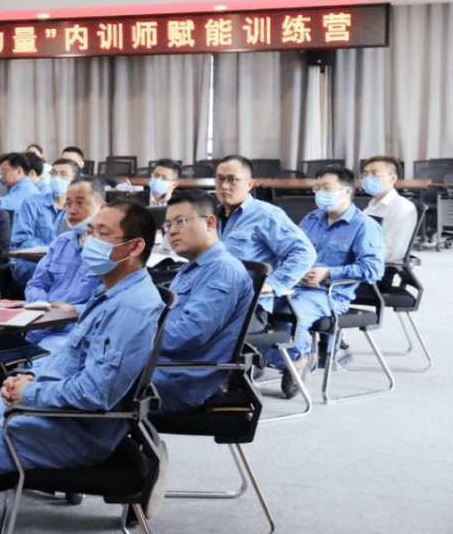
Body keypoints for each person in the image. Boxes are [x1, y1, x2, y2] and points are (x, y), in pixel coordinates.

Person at [0, 201, 165, 534]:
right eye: (90, 232)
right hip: (51, 407)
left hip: (71, 428)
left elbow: (96, 394)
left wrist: (31, 394)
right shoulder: (111, 292)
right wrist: (30, 377)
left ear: (134, 247)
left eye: (103, 234)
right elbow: (69, 357)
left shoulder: (131, 308)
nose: (90, 243)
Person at [273, 165, 383, 398]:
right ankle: (297, 358)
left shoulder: (364, 226)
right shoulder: (311, 219)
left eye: (327, 188)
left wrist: (329, 272)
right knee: (254, 312)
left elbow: (374, 269)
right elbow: (292, 252)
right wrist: (296, 269)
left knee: (292, 316)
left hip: (329, 295)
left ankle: (298, 358)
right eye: (317, 188)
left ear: (347, 191)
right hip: (294, 286)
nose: (320, 193)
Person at [153, 190, 254, 414]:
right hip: (161, 368)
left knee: (86, 393)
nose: (172, 231)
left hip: (179, 381)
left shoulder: (222, 270)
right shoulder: (191, 268)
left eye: (180, 221)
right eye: (168, 225)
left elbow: (187, 335)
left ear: (209, 223)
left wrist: (133, 332)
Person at [215, 155, 315, 311]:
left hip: (248, 306)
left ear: (249, 184)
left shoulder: (266, 214)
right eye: (220, 179)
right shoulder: (211, 216)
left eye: (232, 180)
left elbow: (304, 253)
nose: (224, 186)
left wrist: (272, 284)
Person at [21, 177, 106, 348]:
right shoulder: (61, 242)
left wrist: (74, 310)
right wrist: (44, 307)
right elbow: (36, 284)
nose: (72, 210)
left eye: (80, 203)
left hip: (75, 333)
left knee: (38, 359)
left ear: (102, 207)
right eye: (68, 203)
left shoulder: (109, 250)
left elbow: (109, 304)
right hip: (40, 327)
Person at [9, 158, 80, 286]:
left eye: (63, 174)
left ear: (75, 180)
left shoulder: (78, 209)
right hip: (31, 261)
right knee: (43, 272)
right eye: (53, 174)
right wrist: (52, 251)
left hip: (65, 262)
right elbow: (21, 238)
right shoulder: (32, 202)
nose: (57, 178)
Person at [361, 156, 418, 263]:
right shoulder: (373, 204)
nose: (368, 178)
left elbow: (392, 252)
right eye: (366, 174)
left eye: (374, 173)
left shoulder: (402, 207)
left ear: (393, 179)